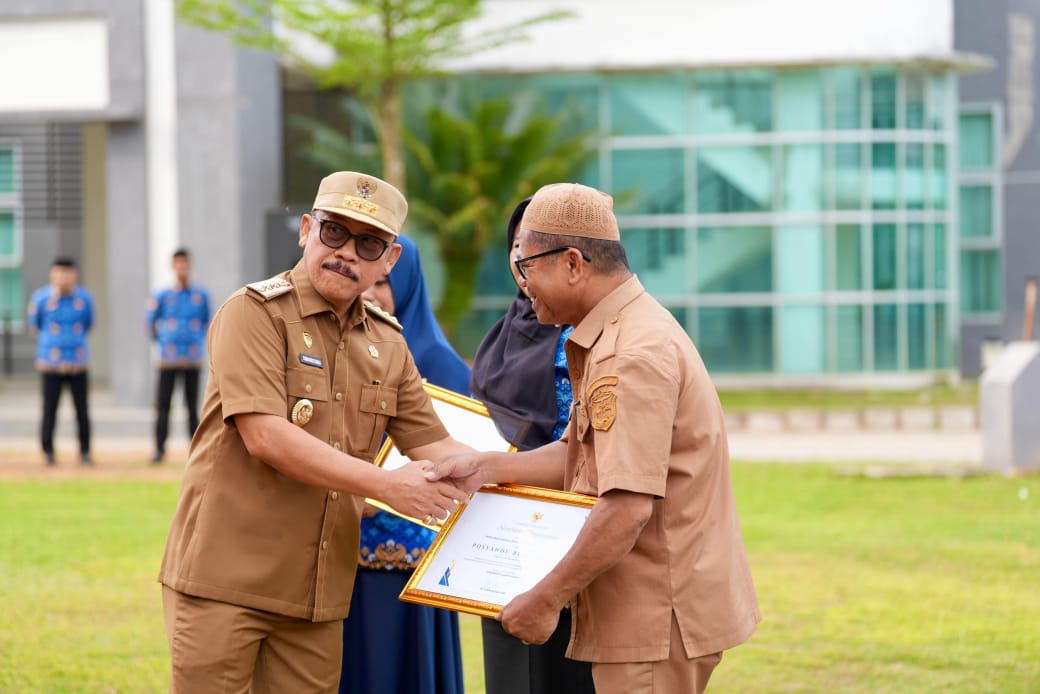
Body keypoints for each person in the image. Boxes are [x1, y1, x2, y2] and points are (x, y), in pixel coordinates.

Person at [431, 183, 761, 694]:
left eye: (527, 266)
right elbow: (577, 453)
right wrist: (488, 468)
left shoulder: (631, 353)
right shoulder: (613, 332)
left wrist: (545, 600)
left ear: (572, 263)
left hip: (653, 617)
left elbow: (626, 506)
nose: (522, 282)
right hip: (642, 610)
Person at [158, 171, 470, 694]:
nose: (346, 252)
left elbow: (439, 447)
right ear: (306, 230)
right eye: (334, 233)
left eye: (367, 242)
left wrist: (536, 487)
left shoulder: (388, 343)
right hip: (225, 583)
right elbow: (267, 437)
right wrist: (387, 485)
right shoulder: (253, 314)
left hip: (316, 599)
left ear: (389, 260)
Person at [469, 198, 594, 694]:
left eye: (534, 246)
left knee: (576, 666)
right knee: (513, 663)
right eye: (516, 245)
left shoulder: (605, 333)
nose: (523, 259)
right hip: (508, 527)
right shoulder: (506, 333)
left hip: (587, 523)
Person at [339, 234, 469, 694]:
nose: (370, 292)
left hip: (410, 559)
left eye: (386, 282)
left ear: (409, 282)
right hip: (341, 547)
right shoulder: (345, 346)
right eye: (365, 280)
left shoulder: (437, 361)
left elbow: (452, 452)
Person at [145, 248, 211, 463]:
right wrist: (163, 342)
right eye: (178, 264)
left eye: (185, 264)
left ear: (189, 266)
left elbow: (206, 322)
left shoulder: (200, 296)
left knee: (192, 407)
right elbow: (150, 323)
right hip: (168, 359)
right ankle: (159, 450)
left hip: (192, 358)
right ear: (173, 267)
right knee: (163, 406)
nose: (182, 269)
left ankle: (195, 451)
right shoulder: (162, 296)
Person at [27, 257, 94, 465]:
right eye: (59, 273)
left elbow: (89, 324)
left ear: (75, 275)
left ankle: (84, 450)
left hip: (77, 362)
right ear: (52, 275)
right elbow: (34, 326)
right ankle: (48, 451)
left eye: (68, 273)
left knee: (82, 409)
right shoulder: (41, 298)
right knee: (49, 408)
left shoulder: (84, 299)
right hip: (51, 363)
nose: (63, 278)